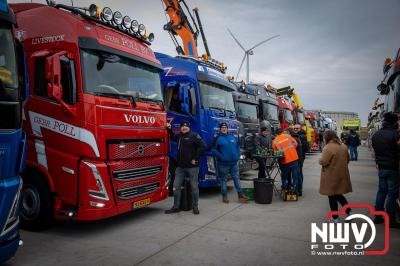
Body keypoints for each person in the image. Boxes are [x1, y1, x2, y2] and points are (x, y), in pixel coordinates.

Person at [165, 121, 206, 215]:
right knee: (176, 186)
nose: (184, 128)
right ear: (180, 128)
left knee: (194, 187)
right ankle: (176, 207)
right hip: (180, 167)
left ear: (189, 128)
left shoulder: (194, 136)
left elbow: (203, 146)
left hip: (192, 167)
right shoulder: (179, 136)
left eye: (186, 126)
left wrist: (195, 158)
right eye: (182, 126)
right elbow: (172, 136)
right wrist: (169, 128)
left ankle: (195, 207)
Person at [371, 112, 400, 228]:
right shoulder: (396, 135)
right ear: (394, 122)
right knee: (392, 193)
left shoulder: (376, 134)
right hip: (393, 167)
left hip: (381, 167)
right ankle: (391, 219)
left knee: (381, 191)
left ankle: (378, 216)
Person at [319, 131, 352, 222]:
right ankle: (349, 211)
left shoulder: (328, 147)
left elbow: (323, 161)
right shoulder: (343, 146)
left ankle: (335, 217)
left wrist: (320, 160)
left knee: (332, 196)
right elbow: (348, 159)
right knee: (338, 194)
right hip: (341, 174)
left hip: (331, 175)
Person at [212, 122, 249, 203]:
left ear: (227, 128)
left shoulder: (232, 137)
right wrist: (221, 157)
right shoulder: (217, 138)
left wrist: (238, 155)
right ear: (220, 129)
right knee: (223, 180)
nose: (224, 128)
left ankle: (240, 195)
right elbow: (213, 150)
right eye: (222, 127)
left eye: (225, 127)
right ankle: (224, 196)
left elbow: (237, 147)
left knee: (236, 178)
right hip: (223, 164)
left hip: (234, 163)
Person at [292, 125, 308, 196]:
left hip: (299, 157)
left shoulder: (301, 137)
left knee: (299, 173)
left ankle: (299, 189)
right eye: (294, 128)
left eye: (297, 128)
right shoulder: (297, 136)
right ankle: (299, 188)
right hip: (299, 157)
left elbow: (305, 148)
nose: (295, 129)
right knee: (299, 172)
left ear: (300, 129)